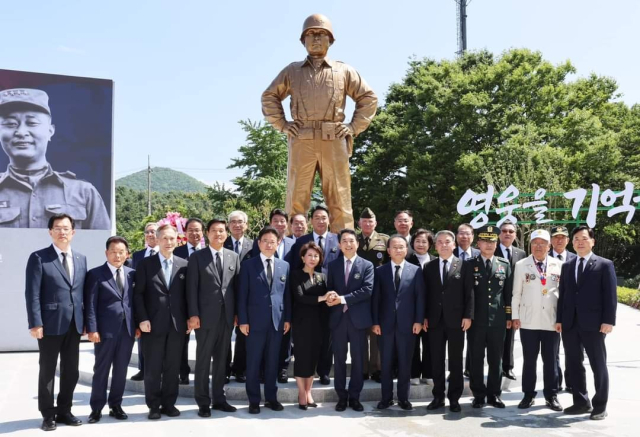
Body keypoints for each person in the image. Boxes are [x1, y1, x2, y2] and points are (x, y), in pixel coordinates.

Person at [261, 14, 377, 231]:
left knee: (340, 197)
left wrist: (352, 127)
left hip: (333, 139)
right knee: (296, 197)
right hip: (301, 138)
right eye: (310, 34)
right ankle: (292, 248)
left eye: (321, 34)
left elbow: (368, 98)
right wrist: (283, 124)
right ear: (303, 40)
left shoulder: (344, 71)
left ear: (330, 40)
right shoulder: (292, 71)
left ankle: (344, 248)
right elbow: (269, 96)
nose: (315, 38)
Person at [0, 88, 110, 229]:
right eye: (10, 124)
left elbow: (101, 246)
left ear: (50, 131)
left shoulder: (83, 192)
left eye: (32, 123)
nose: (21, 132)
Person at [25, 213, 87, 431]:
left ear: (73, 232)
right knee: (48, 370)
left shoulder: (80, 258)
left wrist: (86, 321)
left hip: (74, 324)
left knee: (72, 371)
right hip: (49, 323)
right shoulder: (39, 257)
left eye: (66, 228)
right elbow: (32, 293)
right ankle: (48, 415)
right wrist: (35, 322)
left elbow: (81, 294)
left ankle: (64, 410)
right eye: (58, 228)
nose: (63, 232)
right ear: (50, 232)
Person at [556, 226, 617, 420]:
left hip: (595, 324)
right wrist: (559, 319)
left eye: (583, 238)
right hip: (570, 324)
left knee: (598, 365)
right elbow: (563, 295)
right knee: (574, 364)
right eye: (576, 239)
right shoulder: (567, 265)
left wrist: (608, 320)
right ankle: (581, 402)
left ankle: (600, 405)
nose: (579, 242)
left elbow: (610, 295)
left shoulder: (604, 264)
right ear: (572, 243)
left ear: (592, 241)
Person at [134, 224, 189, 420]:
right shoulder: (145, 265)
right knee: (153, 367)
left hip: (177, 325)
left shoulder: (184, 264)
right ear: (157, 240)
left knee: (173, 367)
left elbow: (187, 296)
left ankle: (169, 403)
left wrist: (190, 319)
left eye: (172, 238)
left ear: (177, 240)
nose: (168, 242)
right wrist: (142, 319)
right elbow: (138, 294)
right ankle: (154, 405)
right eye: (164, 238)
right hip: (152, 324)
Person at [186, 218, 240, 417]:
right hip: (205, 318)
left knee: (221, 362)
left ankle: (219, 399)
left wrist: (237, 315)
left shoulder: (233, 257)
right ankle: (202, 401)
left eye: (222, 231)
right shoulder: (198, 257)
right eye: (214, 231)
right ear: (207, 234)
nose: (219, 234)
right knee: (203, 361)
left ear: (226, 234)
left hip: (226, 318)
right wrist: (193, 314)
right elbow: (191, 289)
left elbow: (237, 288)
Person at [237, 226, 291, 414]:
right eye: (265, 241)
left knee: (272, 362)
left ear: (278, 244)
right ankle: (253, 400)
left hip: (277, 322)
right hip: (254, 323)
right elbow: (242, 295)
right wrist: (243, 320)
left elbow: (286, 296)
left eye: (273, 241)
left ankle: (271, 398)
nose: (269, 244)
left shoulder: (284, 265)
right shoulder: (248, 265)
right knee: (253, 362)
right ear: (259, 243)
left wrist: (287, 319)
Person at [84, 236, 138, 423]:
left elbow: (135, 303)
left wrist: (136, 325)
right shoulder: (95, 274)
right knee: (101, 369)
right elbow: (90, 304)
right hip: (104, 331)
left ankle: (116, 405)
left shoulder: (132, 274)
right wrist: (92, 329)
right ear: (106, 253)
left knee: (121, 370)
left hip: (127, 331)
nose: (117, 255)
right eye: (113, 251)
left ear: (127, 254)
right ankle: (96, 408)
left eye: (121, 252)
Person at [511, 229, 563, 411]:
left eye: (543, 243)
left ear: (549, 246)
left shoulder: (559, 265)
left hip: (551, 320)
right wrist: (515, 316)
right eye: (535, 243)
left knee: (550, 360)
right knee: (529, 360)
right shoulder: (521, 265)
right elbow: (516, 293)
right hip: (528, 320)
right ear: (530, 245)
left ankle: (551, 395)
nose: (539, 246)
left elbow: (563, 296)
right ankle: (528, 394)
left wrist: (561, 318)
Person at [372, 235, 425, 411]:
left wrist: (418, 320)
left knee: (405, 364)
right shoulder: (379, 271)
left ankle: (403, 398)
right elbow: (376, 300)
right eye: (394, 247)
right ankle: (386, 398)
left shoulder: (416, 270)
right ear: (388, 251)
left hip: (408, 325)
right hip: (385, 325)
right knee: (386, 364)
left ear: (406, 249)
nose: (398, 250)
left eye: (401, 247)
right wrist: (375, 322)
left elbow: (419, 298)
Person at [290, 204, 340, 385]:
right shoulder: (300, 241)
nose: (320, 221)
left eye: (324, 217)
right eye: (317, 217)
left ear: (329, 220)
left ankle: (324, 371)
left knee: (327, 337)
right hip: (307, 293)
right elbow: (295, 267)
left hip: (330, 294)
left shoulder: (337, 240)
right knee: (307, 340)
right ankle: (307, 372)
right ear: (311, 221)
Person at [423, 230, 473, 413]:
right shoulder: (429, 267)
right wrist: (424, 317)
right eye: (440, 242)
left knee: (455, 362)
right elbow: (425, 295)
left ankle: (454, 398)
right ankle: (438, 396)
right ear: (435, 246)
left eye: (447, 242)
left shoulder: (464, 266)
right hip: (435, 321)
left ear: (454, 245)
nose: (444, 245)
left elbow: (469, 293)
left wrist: (468, 315)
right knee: (436, 361)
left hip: (457, 321)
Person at [326, 229, 374, 412]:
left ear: (357, 244)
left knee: (358, 360)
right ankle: (341, 396)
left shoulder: (367, 265)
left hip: (358, 320)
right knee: (338, 360)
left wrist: (343, 299)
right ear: (339, 245)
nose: (348, 244)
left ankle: (355, 397)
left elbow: (367, 290)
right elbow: (330, 287)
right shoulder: (333, 265)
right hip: (338, 320)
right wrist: (331, 296)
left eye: (351, 240)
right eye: (344, 241)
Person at [466, 226, 512, 409]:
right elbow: (467, 293)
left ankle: (494, 394)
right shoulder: (470, 264)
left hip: (497, 320)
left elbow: (508, 293)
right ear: (478, 243)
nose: (489, 244)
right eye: (485, 241)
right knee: (476, 358)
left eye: (492, 241)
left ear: (497, 243)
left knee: (496, 359)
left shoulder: (504, 264)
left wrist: (508, 316)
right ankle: (478, 394)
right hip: (476, 321)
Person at [290, 242, 334, 409]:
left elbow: (325, 301)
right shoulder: (295, 275)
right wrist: (322, 298)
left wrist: (329, 298)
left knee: (314, 357)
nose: (312, 258)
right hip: (301, 323)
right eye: (309, 255)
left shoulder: (322, 277)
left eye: (316, 256)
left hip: (319, 323)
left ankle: (309, 391)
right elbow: (300, 297)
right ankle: (301, 392)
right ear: (303, 257)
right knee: (302, 358)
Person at [356, 207, 388, 383]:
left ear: (375, 223)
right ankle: (362, 369)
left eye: (371, 221)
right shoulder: (354, 239)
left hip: (379, 291)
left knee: (377, 333)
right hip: (359, 292)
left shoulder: (384, 239)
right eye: (364, 221)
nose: (367, 224)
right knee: (360, 333)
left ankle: (377, 369)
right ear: (359, 223)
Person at [173, 217, 204, 385]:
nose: (194, 233)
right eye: (190, 230)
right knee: (181, 342)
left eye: (197, 230)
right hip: (182, 305)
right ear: (184, 233)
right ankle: (182, 372)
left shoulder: (208, 252)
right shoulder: (177, 252)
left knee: (203, 343)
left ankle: (201, 374)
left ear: (203, 232)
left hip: (204, 306)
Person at [224, 210, 253, 383]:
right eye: (233, 222)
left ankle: (240, 369)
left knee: (243, 335)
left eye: (240, 222)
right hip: (226, 297)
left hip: (247, 299)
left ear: (246, 225)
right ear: (228, 225)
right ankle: (225, 369)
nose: (237, 225)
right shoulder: (221, 243)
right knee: (225, 336)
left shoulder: (254, 245)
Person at [495, 220, 526, 380]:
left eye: (511, 231)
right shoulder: (491, 250)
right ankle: (494, 367)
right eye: (504, 231)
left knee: (510, 336)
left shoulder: (520, 253)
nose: (507, 233)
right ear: (499, 233)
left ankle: (508, 367)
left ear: (515, 235)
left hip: (513, 299)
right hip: (496, 299)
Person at [129, 222, 159, 382]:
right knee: (143, 340)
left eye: (153, 231)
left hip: (160, 303)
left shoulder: (165, 253)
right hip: (142, 302)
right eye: (147, 232)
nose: (150, 234)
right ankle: (143, 369)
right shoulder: (138, 255)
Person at [549, 225, 577, 392]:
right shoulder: (542, 257)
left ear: (568, 240)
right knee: (553, 349)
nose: (559, 240)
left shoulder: (575, 258)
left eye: (563, 237)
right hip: (550, 308)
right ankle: (556, 381)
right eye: (556, 237)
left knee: (572, 349)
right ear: (551, 240)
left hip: (571, 311)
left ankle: (571, 382)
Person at [406, 229, 435, 386]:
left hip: (432, 310)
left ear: (430, 244)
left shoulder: (435, 260)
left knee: (430, 343)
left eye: (424, 241)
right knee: (413, 343)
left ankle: (429, 373)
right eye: (417, 241)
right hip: (412, 309)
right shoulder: (407, 260)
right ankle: (414, 373)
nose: (421, 244)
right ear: (412, 243)